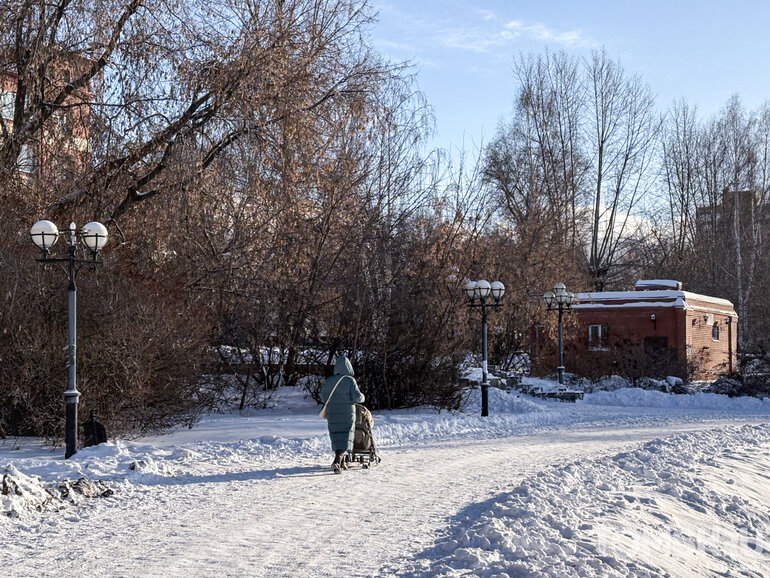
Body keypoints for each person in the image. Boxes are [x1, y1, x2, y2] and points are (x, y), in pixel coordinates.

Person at [320, 355, 364, 473]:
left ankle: (340, 459)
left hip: (332, 413)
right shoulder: (350, 380)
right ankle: (338, 460)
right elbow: (358, 397)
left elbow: (322, 397)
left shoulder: (329, 380)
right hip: (347, 413)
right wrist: (363, 397)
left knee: (336, 436)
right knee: (345, 436)